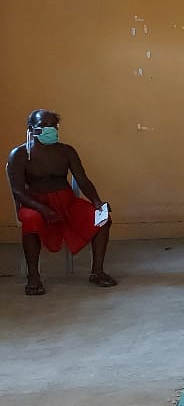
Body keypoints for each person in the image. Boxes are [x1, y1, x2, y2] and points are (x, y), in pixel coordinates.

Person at [7, 109, 116, 295]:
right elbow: (18, 191)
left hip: (67, 202)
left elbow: (82, 179)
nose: (50, 129)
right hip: (34, 204)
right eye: (44, 125)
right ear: (32, 129)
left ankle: (97, 272)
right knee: (30, 220)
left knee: (102, 219)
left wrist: (98, 202)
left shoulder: (66, 151)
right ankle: (33, 276)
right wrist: (43, 209)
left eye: (53, 125)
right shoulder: (19, 154)